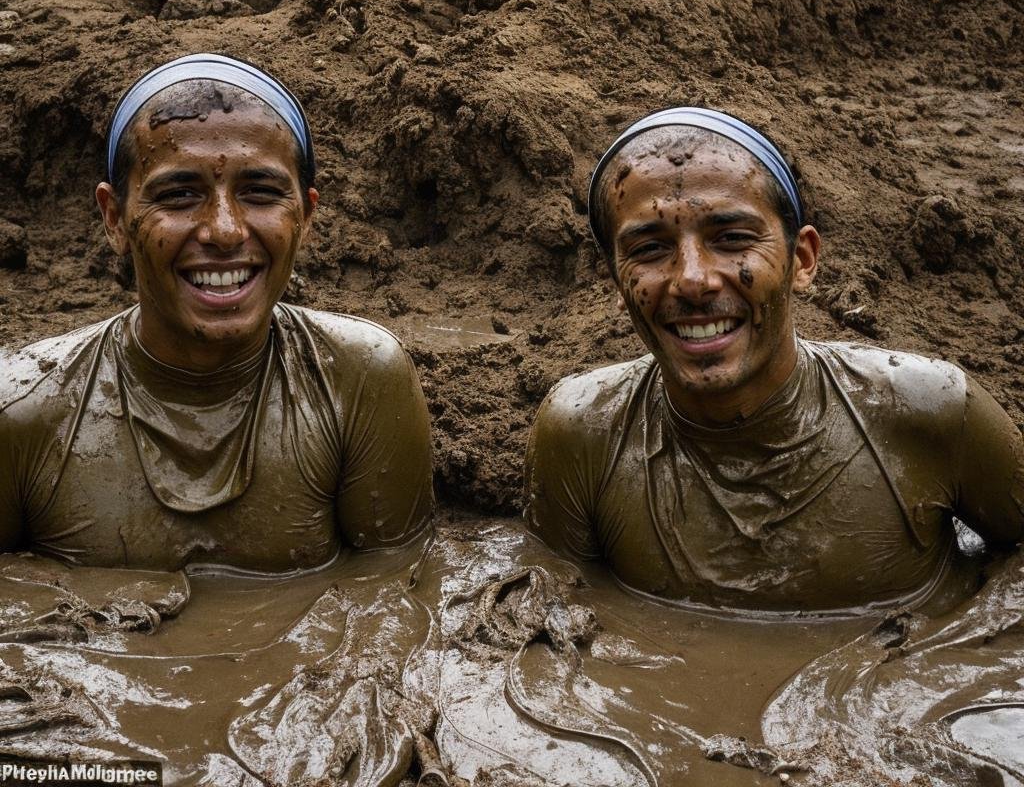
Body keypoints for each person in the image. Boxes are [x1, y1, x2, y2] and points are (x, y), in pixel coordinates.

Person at [525, 107, 1024, 613]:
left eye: (732, 239)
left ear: (802, 260)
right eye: (650, 248)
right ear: (615, 279)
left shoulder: (933, 411)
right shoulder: (581, 433)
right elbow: (562, 614)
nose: (692, 279)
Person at [0, 55, 433, 571]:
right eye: (180, 194)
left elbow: (398, 596)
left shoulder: (358, 381)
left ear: (307, 216)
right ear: (115, 218)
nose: (224, 230)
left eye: (260, 193)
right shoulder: (25, 412)